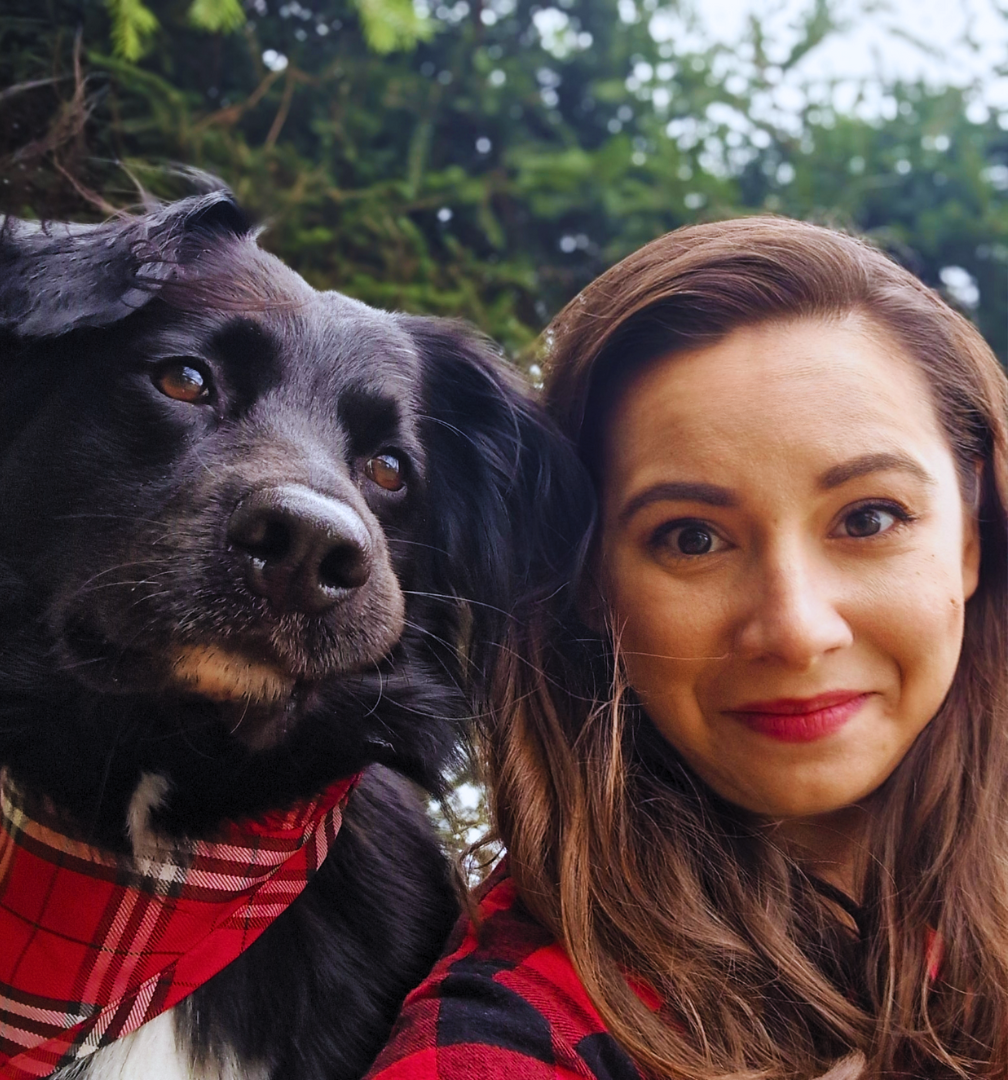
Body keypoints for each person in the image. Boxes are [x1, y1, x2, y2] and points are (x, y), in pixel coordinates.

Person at [364, 216, 1008, 1079]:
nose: (796, 629)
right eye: (692, 538)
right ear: (591, 584)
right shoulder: (505, 1042)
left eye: (868, 518)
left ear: (970, 537)